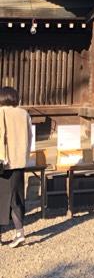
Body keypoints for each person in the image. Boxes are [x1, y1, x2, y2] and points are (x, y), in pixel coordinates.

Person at [0, 86, 33, 248]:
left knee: (1, 198)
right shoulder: (24, 113)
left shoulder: (1, 112)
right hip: (19, 162)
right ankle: (19, 232)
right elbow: (30, 137)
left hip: (3, 163)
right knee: (17, 198)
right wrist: (25, 156)